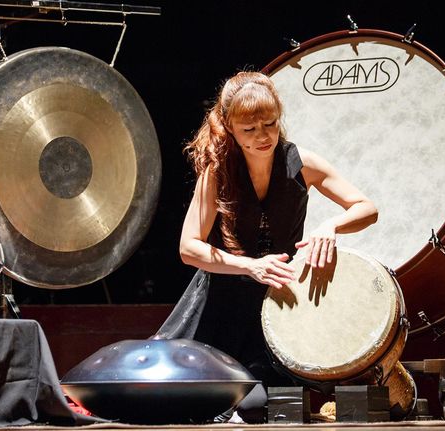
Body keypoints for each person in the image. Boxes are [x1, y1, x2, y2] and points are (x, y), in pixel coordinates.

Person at [161, 71, 378, 421]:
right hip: (219, 307)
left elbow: (366, 208)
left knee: (260, 406)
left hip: (277, 309)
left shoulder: (300, 163)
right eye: (250, 129)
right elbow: (189, 248)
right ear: (230, 128)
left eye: (271, 124)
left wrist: (330, 225)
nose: (263, 136)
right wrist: (250, 265)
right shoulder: (218, 172)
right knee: (180, 403)